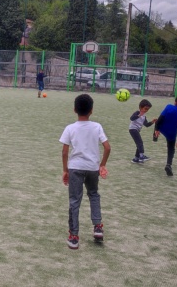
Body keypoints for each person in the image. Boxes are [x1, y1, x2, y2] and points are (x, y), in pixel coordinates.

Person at [60, 94, 111, 250]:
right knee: (94, 195)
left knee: (75, 201)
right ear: (91, 110)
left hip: (75, 167)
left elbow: (64, 152)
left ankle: (74, 236)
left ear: (75, 109)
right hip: (92, 168)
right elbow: (107, 147)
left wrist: (65, 170)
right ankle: (97, 228)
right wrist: (102, 165)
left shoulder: (70, 128)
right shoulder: (97, 127)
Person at [154, 95, 177, 176]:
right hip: (171, 133)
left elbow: (160, 119)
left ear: (175, 101)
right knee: (171, 149)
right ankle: (168, 165)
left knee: (157, 122)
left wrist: (157, 129)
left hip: (162, 128)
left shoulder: (169, 107)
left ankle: (155, 137)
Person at [129, 99, 157, 164]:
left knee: (138, 144)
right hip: (133, 129)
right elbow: (131, 118)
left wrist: (152, 121)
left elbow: (146, 125)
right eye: (145, 109)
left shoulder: (144, 116)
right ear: (140, 107)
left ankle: (136, 158)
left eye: (148, 109)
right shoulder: (137, 113)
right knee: (140, 143)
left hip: (136, 130)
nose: (146, 110)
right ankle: (141, 157)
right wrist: (139, 115)